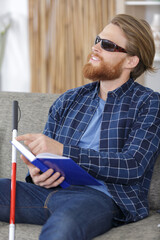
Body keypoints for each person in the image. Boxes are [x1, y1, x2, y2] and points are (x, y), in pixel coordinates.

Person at [0, 14, 160, 240]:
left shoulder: (148, 103)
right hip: (47, 192)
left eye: (107, 45)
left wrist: (64, 151)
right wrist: (36, 174)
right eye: (97, 40)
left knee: (64, 226)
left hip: (101, 198)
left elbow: (132, 165)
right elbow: (47, 154)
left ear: (130, 61)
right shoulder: (69, 99)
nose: (95, 48)